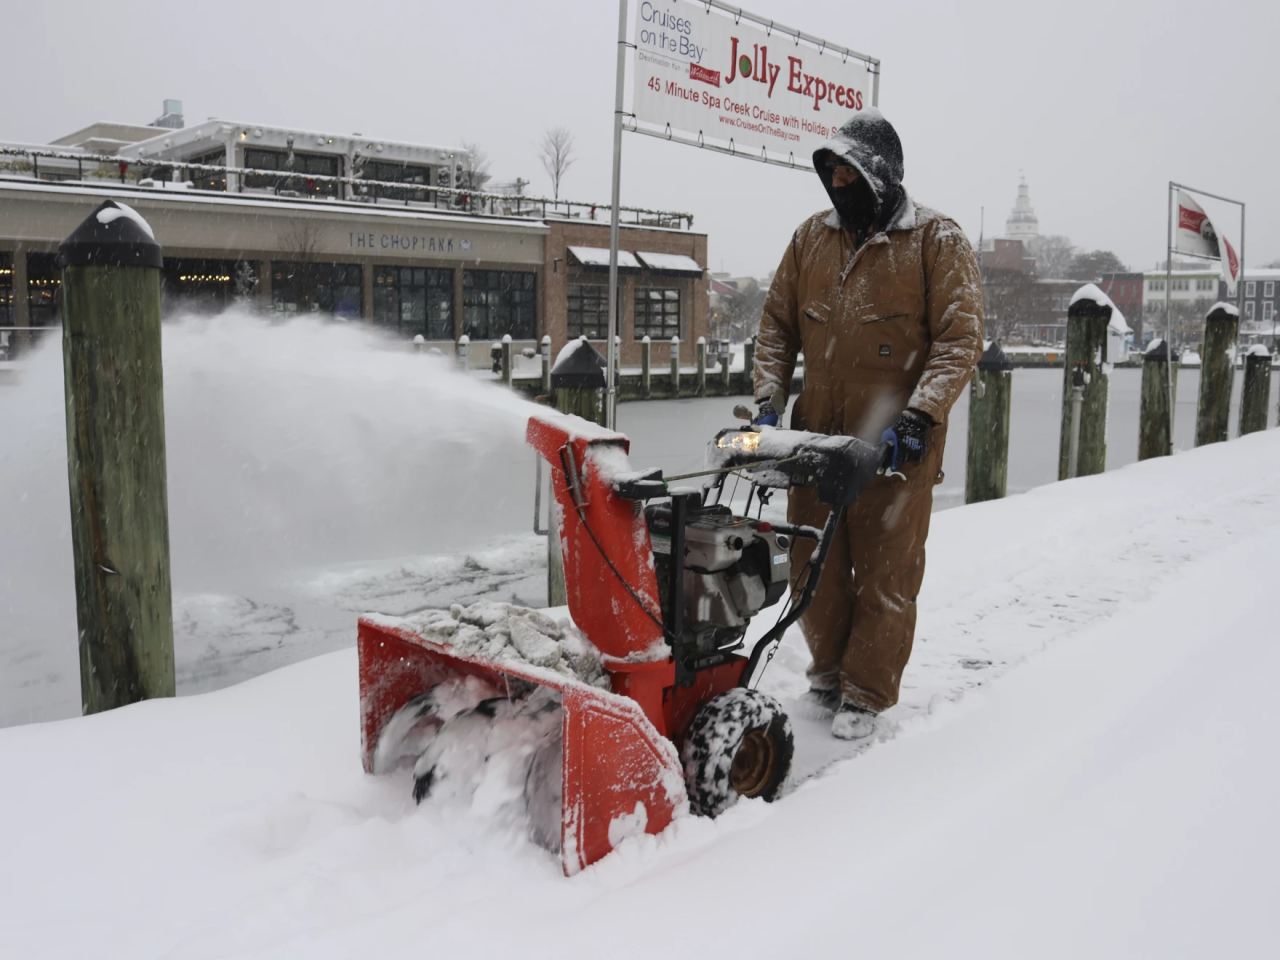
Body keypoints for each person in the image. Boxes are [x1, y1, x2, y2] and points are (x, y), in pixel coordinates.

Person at [752, 108, 984, 740]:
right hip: (816, 439)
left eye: (850, 174)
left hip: (895, 446)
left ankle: (867, 690)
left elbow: (960, 340)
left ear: (881, 176)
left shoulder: (938, 242)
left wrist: (921, 415)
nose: (839, 187)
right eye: (831, 176)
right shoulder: (810, 240)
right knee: (812, 561)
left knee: (886, 571)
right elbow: (776, 324)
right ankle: (827, 675)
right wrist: (769, 395)